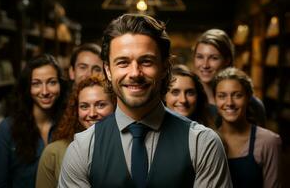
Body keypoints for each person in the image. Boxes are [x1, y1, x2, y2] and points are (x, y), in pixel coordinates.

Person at [58, 13, 232, 188]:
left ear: (164, 67)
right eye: (123, 62)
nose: (134, 73)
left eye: (146, 61)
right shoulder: (82, 149)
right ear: (108, 71)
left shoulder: (202, 143)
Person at [0, 55, 67, 188]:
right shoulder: (7, 128)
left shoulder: (69, 124)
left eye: (52, 82)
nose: (45, 91)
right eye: (36, 83)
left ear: (61, 85)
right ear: (27, 88)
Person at [36, 76, 116, 188]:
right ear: (76, 111)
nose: (92, 113)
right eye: (84, 106)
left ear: (115, 106)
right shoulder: (54, 152)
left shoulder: (125, 144)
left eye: (100, 105)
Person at [213, 67, 281, 188]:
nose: (229, 103)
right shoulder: (208, 139)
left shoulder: (269, 141)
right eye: (222, 96)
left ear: (248, 97)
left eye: (237, 95)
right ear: (215, 100)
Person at [193, 29, 266, 126]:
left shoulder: (251, 104)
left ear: (227, 60)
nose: (205, 65)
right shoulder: (188, 100)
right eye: (200, 57)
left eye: (214, 58)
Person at [164, 64, 214, 128]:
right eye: (175, 92)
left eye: (190, 93)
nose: (183, 100)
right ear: (163, 95)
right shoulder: (152, 133)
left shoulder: (209, 134)